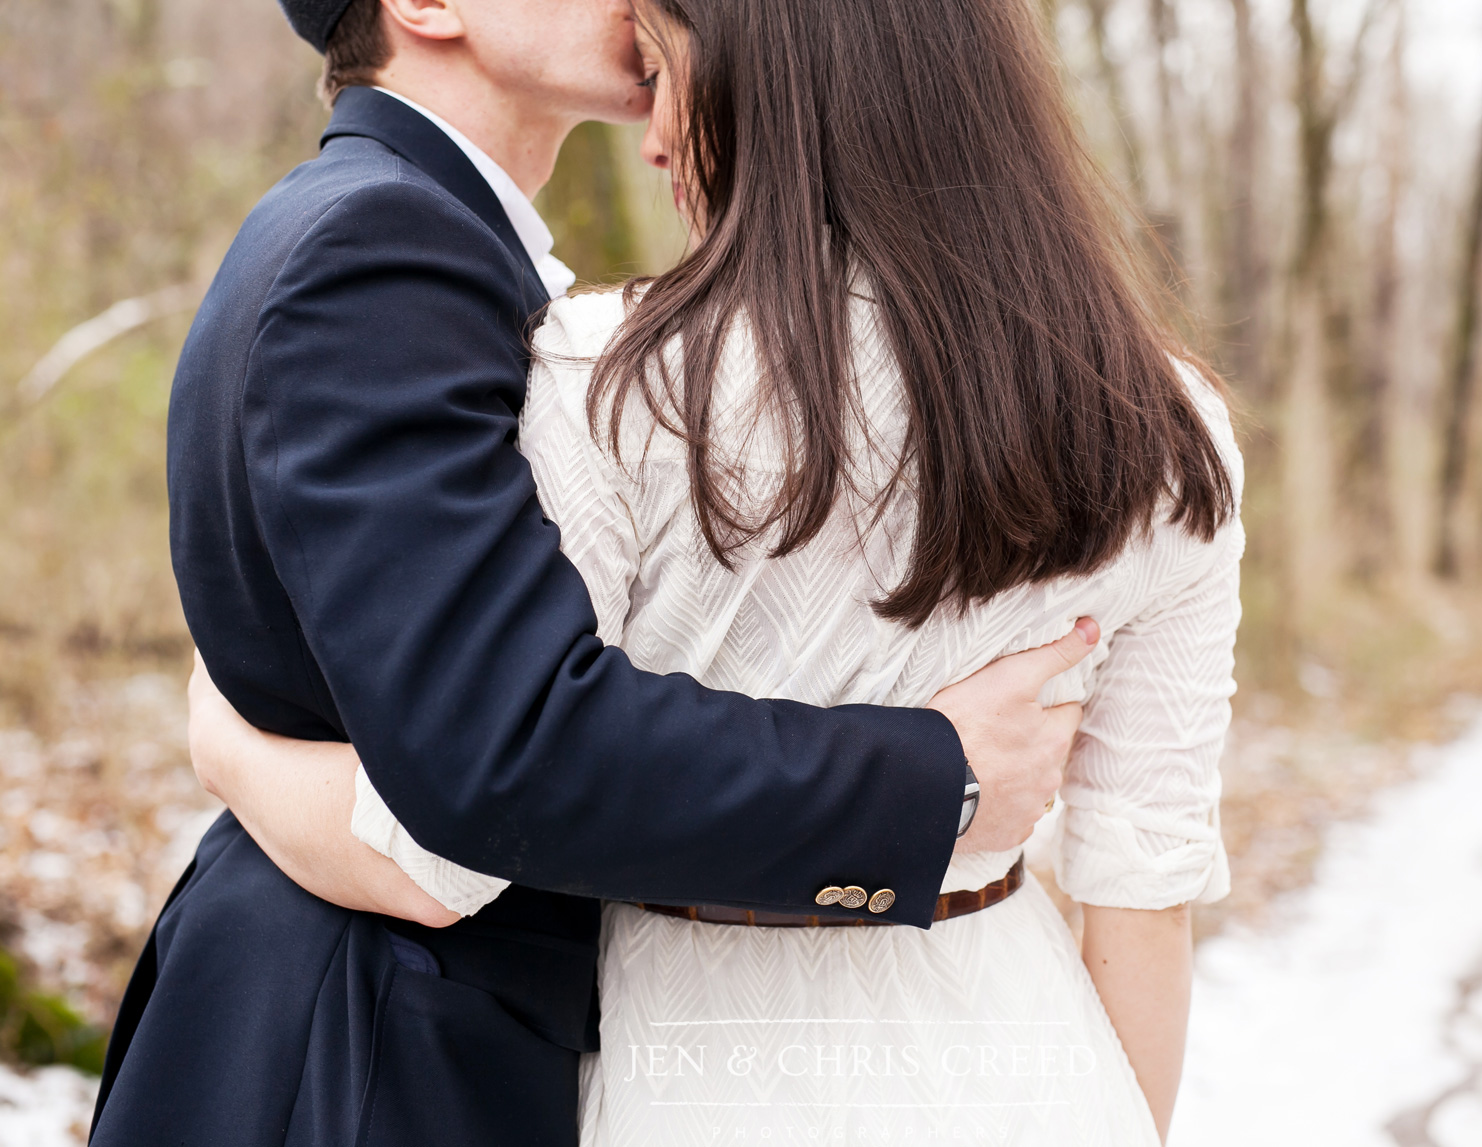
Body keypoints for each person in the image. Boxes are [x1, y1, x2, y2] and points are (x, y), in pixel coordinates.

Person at [189, 0, 1247, 1140]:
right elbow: (1143, 885)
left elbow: (446, 843)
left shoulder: (612, 381)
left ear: (768, 84)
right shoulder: (1170, 425)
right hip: (1033, 1060)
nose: (653, 135)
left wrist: (222, 738)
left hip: (704, 1070)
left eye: (669, 66)